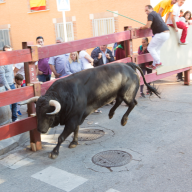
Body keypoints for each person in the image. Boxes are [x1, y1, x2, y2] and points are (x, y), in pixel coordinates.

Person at [140, 5, 170, 70]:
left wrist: (140, 28)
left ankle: (158, 62)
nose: (146, 12)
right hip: (167, 33)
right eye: (145, 11)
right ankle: (154, 64)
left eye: (147, 10)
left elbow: (148, 26)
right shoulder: (157, 14)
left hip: (160, 34)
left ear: (151, 9)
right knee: (156, 49)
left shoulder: (150, 14)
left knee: (150, 48)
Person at [0, 45, 18, 122]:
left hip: (12, 84)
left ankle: (14, 118)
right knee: (8, 105)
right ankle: (9, 120)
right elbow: (2, 77)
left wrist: (14, 83)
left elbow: (11, 73)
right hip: (5, 86)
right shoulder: (2, 62)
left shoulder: (10, 61)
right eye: (7, 52)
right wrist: (8, 87)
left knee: (15, 103)